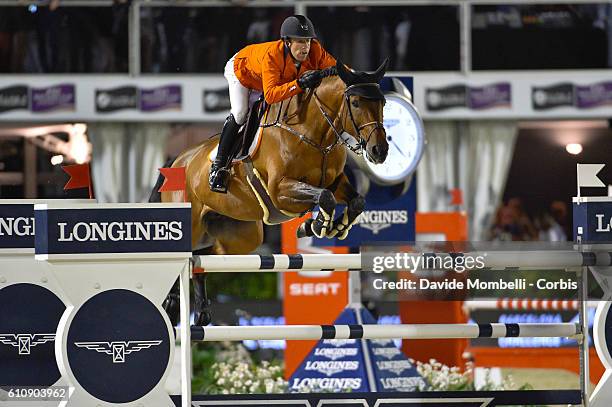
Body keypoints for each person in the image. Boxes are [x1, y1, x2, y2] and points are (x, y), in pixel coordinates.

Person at [209, 14, 337, 193]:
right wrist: (299, 84)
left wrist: (357, 78)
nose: (305, 47)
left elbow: (338, 70)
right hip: (242, 73)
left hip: (264, 79)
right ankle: (218, 166)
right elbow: (270, 96)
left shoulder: (315, 50)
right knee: (240, 113)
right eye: (300, 42)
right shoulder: (273, 56)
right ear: (287, 42)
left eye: (307, 41)